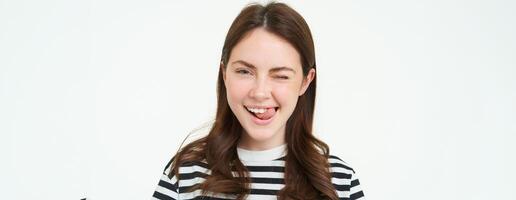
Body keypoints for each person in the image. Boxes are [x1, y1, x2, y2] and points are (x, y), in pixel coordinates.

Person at [152, 2, 365, 200]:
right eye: (244, 71)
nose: (260, 92)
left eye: (281, 75)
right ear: (225, 73)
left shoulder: (339, 181)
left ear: (305, 82)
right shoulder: (185, 174)